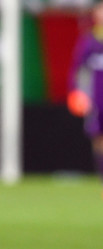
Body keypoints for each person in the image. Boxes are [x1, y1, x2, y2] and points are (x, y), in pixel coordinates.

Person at [67, 1, 103, 195]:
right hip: (97, 101)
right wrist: (76, 92)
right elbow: (77, 70)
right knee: (98, 138)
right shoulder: (89, 41)